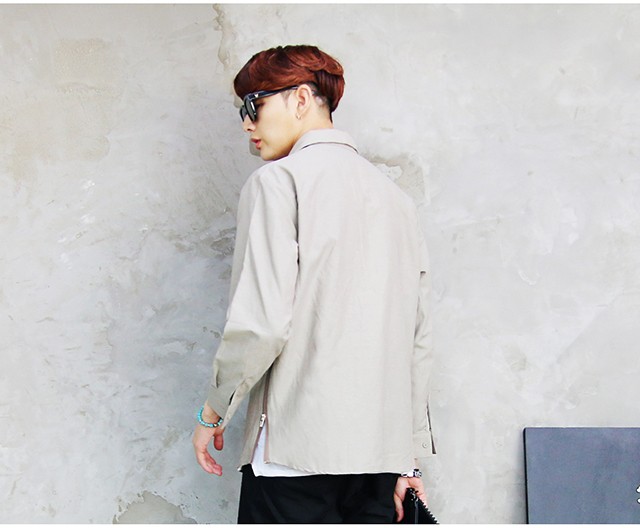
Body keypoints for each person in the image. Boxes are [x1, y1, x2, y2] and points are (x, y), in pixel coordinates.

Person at [192, 44, 436, 523]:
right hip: (377, 461)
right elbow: (417, 340)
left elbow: (262, 324)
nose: (247, 124)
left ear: (301, 98)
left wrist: (213, 412)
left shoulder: (278, 182)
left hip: (294, 454)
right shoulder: (396, 201)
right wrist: (408, 459)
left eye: (253, 105)